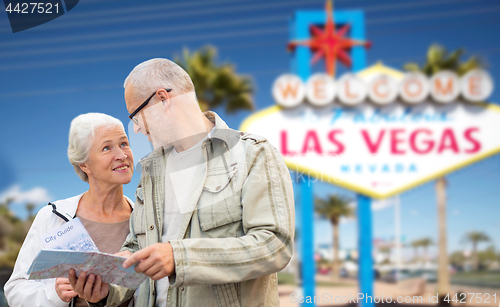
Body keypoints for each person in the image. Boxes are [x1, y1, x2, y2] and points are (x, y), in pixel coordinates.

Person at [72, 58, 295, 307]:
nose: (136, 129)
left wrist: (180, 258)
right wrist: (106, 290)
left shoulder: (253, 153)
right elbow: (137, 247)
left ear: (163, 99)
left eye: (136, 116)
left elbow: (274, 245)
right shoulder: (151, 172)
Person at [4, 113, 135, 307]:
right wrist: (55, 294)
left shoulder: (145, 219)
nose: (122, 155)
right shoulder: (52, 217)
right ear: (84, 164)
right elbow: (15, 290)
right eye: (107, 147)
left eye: (124, 144)